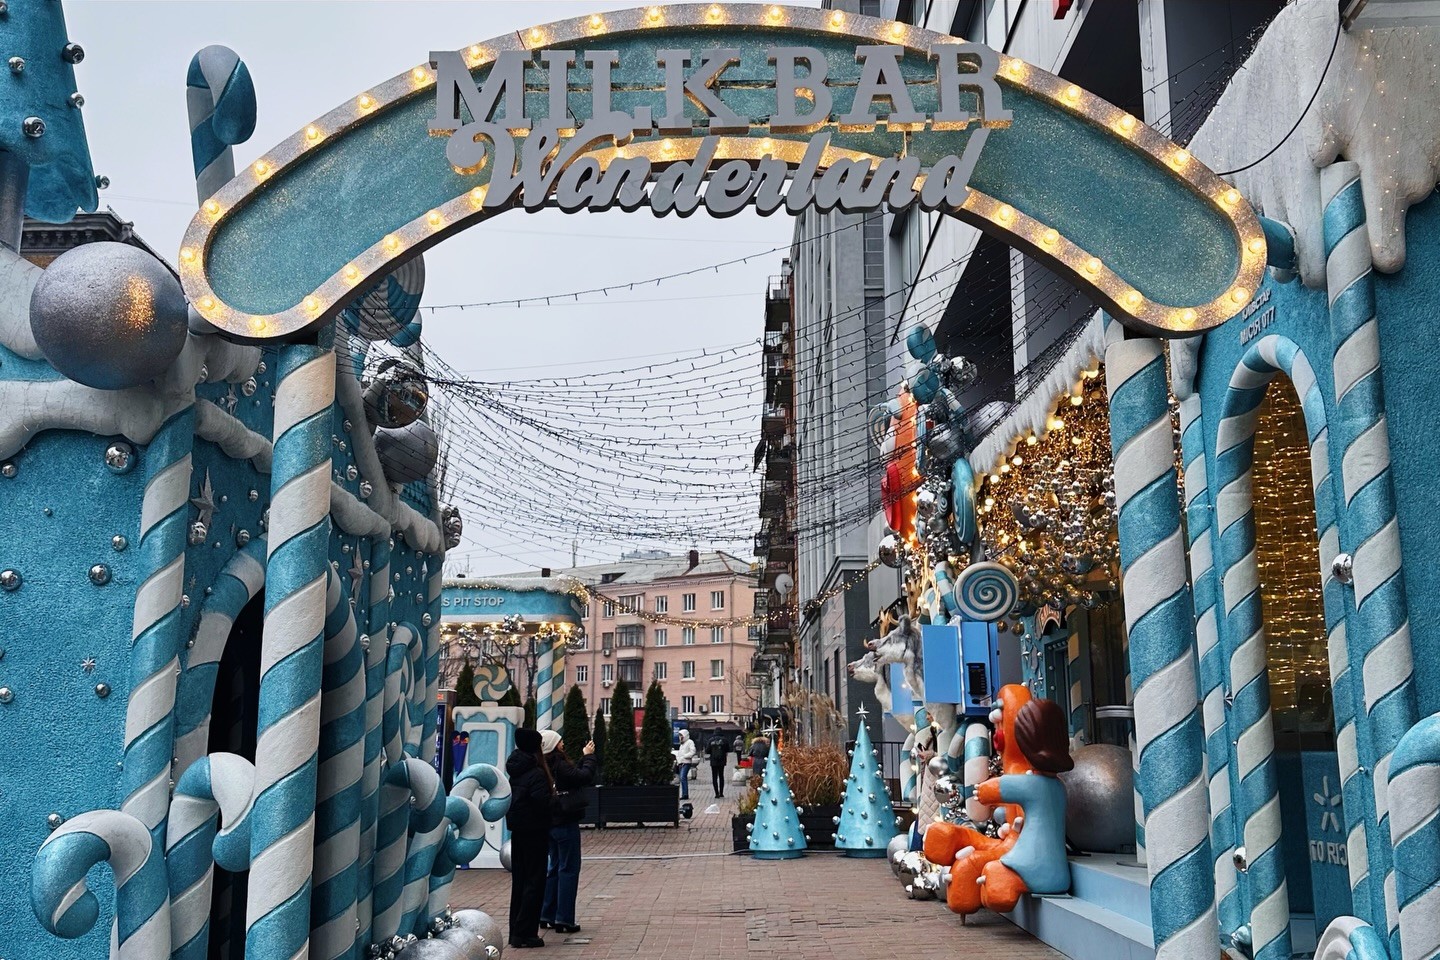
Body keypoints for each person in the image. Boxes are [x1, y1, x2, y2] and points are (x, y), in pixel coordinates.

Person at [539, 729, 597, 935]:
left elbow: (572, 777)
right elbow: (584, 777)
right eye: (560, 741)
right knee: (568, 868)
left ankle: (547, 913)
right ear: (554, 745)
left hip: (550, 822)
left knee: (554, 866)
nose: (563, 743)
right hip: (565, 820)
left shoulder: (543, 764)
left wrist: (581, 759)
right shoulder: (559, 763)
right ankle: (564, 918)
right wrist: (589, 757)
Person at [505, 728, 552, 949]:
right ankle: (526, 933)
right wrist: (558, 802)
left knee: (520, 882)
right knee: (535, 882)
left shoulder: (515, 769)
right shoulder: (536, 773)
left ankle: (516, 930)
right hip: (535, 832)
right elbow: (542, 803)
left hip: (518, 832)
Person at [673, 729, 697, 800]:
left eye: (681, 735)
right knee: (682, 778)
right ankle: (684, 793)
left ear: (685, 735)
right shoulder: (682, 744)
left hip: (686, 762)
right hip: (681, 762)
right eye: (679, 735)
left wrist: (685, 756)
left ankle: (685, 794)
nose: (680, 737)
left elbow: (693, 751)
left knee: (683, 777)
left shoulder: (690, 742)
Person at [705, 733, 729, 798]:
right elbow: (728, 749)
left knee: (714, 777)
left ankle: (716, 793)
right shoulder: (724, 740)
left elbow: (707, 751)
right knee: (721, 776)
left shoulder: (711, 740)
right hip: (722, 761)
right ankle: (721, 793)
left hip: (713, 761)